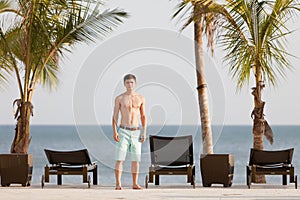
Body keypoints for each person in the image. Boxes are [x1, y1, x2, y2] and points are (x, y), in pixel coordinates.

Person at [112, 74, 147, 190]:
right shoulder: (120, 98)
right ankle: (118, 184)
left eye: (131, 82)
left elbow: (143, 116)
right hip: (123, 131)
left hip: (136, 131)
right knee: (119, 159)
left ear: (135, 83)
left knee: (136, 160)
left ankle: (135, 184)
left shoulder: (141, 98)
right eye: (127, 83)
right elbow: (115, 116)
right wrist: (115, 131)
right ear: (124, 84)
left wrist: (144, 132)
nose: (130, 85)